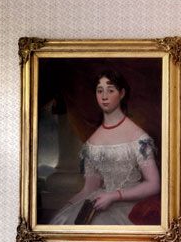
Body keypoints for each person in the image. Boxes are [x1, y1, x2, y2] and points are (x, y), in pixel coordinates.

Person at [51, 70, 161, 225]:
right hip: (98, 202)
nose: (104, 96)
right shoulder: (91, 143)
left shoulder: (138, 138)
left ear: (122, 93)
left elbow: (154, 184)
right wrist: (67, 206)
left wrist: (115, 196)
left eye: (110, 90)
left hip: (128, 205)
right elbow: (89, 189)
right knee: (65, 222)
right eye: (99, 90)